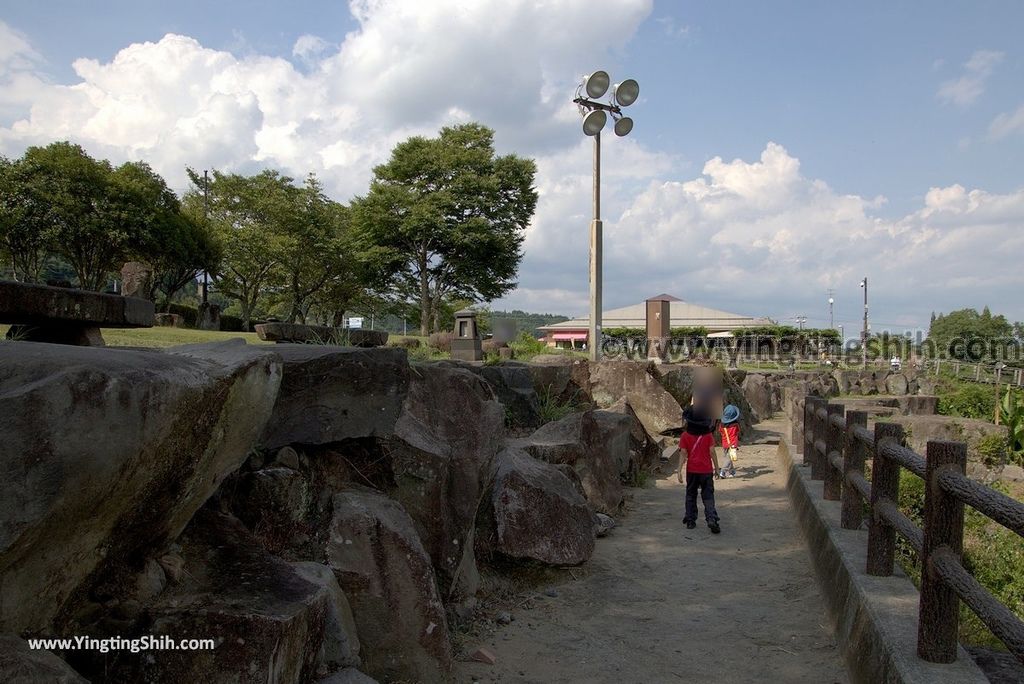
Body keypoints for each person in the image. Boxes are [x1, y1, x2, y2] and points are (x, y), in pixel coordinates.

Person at [679, 406, 721, 534]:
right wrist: (717, 468)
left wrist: (679, 470)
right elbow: (712, 452)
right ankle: (711, 518)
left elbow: (683, 453)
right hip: (706, 471)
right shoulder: (708, 435)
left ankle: (691, 520)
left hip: (692, 470)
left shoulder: (685, 436)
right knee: (708, 495)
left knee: (691, 494)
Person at [718, 404, 741, 478]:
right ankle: (723, 471)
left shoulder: (721, 425)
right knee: (729, 458)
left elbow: (720, 432)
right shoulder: (735, 425)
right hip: (733, 444)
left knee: (728, 457)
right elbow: (738, 432)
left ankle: (732, 472)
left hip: (724, 443)